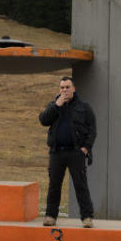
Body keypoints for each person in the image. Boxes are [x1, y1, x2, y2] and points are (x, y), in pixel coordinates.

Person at [38, 75, 97, 227]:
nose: (64, 90)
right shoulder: (54, 105)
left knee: (80, 185)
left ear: (73, 89)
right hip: (57, 152)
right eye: (62, 87)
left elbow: (92, 129)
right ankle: (50, 216)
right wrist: (56, 106)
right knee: (54, 185)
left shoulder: (83, 107)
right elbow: (43, 120)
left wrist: (85, 148)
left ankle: (87, 217)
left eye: (67, 87)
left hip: (75, 152)